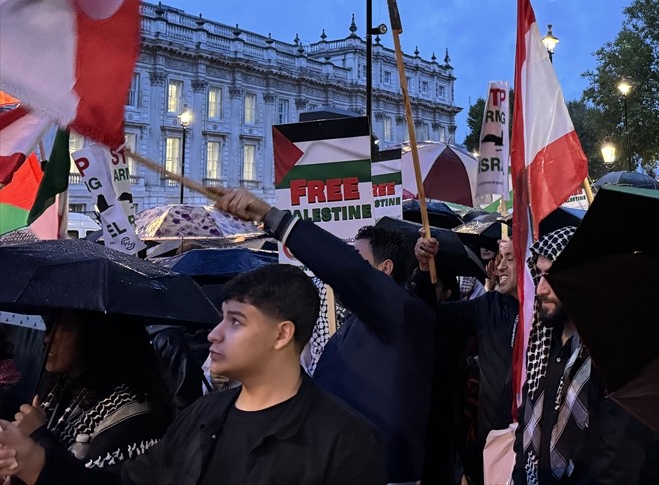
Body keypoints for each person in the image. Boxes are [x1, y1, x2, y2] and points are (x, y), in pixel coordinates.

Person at [0, 264, 385, 484]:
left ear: (282, 334)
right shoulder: (203, 416)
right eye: (221, 318)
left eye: (236, 322)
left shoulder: (344, 439)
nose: (214, 334)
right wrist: (37, 461)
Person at [216, 188, 434, 485]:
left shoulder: (400, 314)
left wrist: (271, 217)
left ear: (384, 270)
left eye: (359, 259)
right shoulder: (364, 321)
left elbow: (343, 268)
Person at [513, 226, 659, 484]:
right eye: (540, 275)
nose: (541, 289)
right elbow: (524, 433)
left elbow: (617, 462)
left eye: (552, 277)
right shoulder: (544, 345)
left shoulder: (617, 352)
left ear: (582, 280)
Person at [415, 235, 519, 485]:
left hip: (537, 441)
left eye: (509, 258)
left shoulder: (548, 310)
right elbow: (432, 316)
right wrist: (424, 270)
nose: (500, 266)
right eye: (499, 258)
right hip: (494, 442)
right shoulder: (488, 306)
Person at [10, 311, 171, 470]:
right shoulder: (61, 391)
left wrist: (39, 436)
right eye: (51, 325)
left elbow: (90, 479)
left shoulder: (132, 416)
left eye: (65, 327)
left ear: (98, 335)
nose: (48, 338)